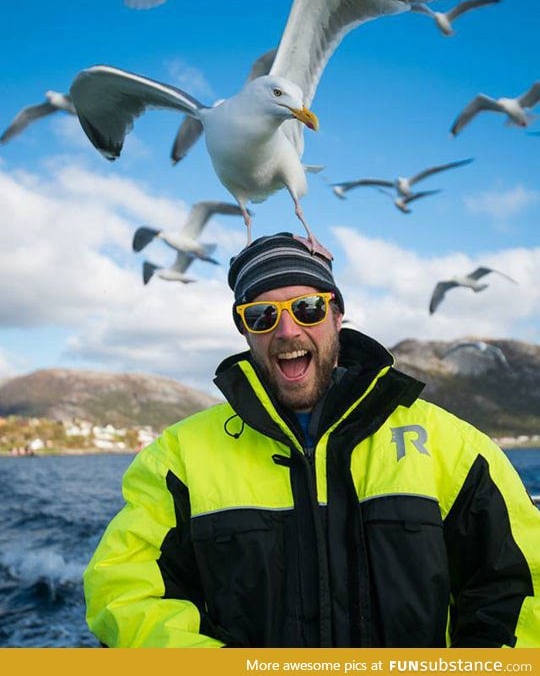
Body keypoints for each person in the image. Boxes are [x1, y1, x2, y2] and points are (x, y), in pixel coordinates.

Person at [84, 232, 540, 648]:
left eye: (308, 308)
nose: (287, 330)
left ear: (337, 316)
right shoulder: (179, 458)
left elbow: (519, 584)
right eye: (262, 315)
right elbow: (124, 590)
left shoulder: (454, 447)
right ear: (245, 331)